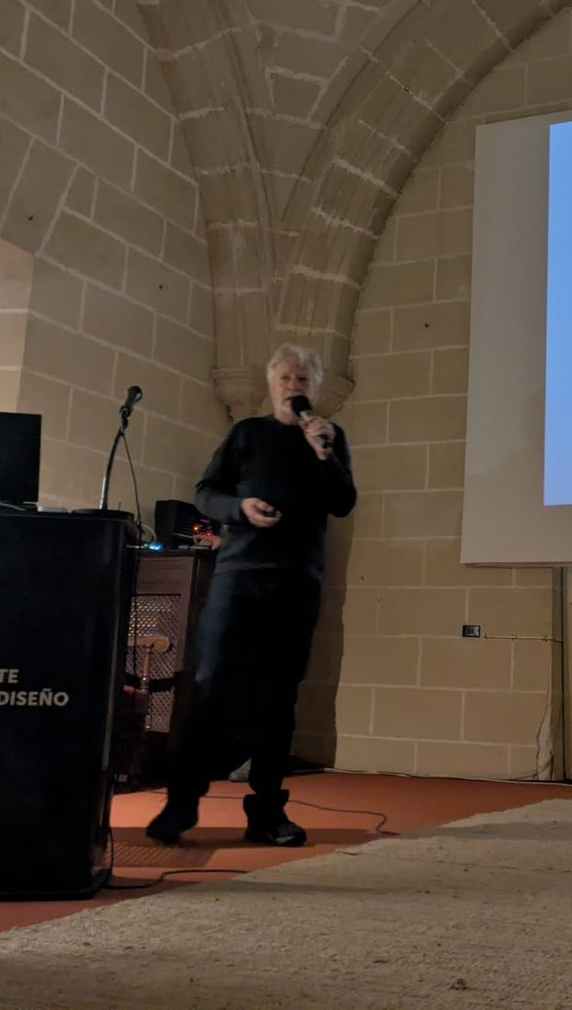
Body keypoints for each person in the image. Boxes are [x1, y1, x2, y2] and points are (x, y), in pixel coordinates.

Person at [145, 344, 357, 847]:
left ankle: (266, 814)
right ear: (271, 384)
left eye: (303, 378)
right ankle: (181, 804)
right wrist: (240, 508)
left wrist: (325, 454)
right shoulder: (246, 434)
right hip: (240, 579)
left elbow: (343, 503)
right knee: (211, 684)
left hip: (296, 582)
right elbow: (205, 493)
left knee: (279, 698)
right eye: (285, 377)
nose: (293, 386)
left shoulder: (330, 437)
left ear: (315, 386)